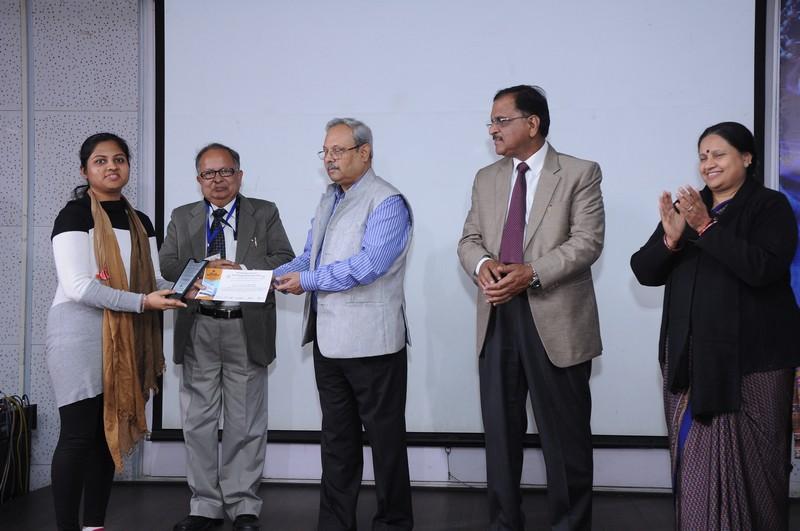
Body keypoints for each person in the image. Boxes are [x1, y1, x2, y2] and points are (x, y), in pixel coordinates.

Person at [630, 121, 800, 530]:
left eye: (718, 154)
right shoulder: (686, 209)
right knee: (695, 465)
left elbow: (763, 269)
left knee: (760, 467)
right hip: (692, 361)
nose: (708, 163)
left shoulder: (770, 207)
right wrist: (671, 241)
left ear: (747, 158)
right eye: (703, 156)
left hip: (756, 361)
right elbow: (644, 271)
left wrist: (707, 227)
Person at [457, 85, 604, 531]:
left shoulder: (579, 172)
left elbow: (587, 243)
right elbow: (469, 240)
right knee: (500, 436)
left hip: (555, 318)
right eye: (491, 122)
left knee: (565, 439)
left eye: (501, 120)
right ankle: (505, 524)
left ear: (533, 123)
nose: (492, 129)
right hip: (498, 315)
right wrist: (482, 265)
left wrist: (532, 272)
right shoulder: (486, 177)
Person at [273, 118, 414, 531]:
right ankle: (335, 524)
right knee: (337, 442)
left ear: (364, 153)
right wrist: (262, 277)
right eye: (326, 151)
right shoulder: (329, 199)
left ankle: (393, 523)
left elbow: (369, 265)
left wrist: (307, 281)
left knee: (386, 445)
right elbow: (308, 258)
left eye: (338, 150)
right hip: (328, 342)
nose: (329, 159)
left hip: (373, 345)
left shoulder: (387, 201)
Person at [47, 132, 186, 531]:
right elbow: (79, 286)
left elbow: (153, 281)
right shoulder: (74, 215)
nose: (112, 167)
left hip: (127, 334)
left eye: (119, 159)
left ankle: (94, 525)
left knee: (107, 434)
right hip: (78, 334)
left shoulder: (140, 221)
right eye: (101, 160)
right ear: (85, 170)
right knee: (78, 435)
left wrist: (197, 283)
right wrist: (143, 303)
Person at [159, 143, 294, 531]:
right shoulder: (182, 216)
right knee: (198, 421)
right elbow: (167, 263)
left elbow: (284, 258)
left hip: (244, 325)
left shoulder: (264, 212)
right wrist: (206, 267)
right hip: (199, 325)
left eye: (225, 171)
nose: (217, 180)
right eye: (208, 173)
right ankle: (204, 505)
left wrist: (241, 270)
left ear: (239, 175)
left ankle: (243, 504)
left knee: (245, 419)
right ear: (198, 179)